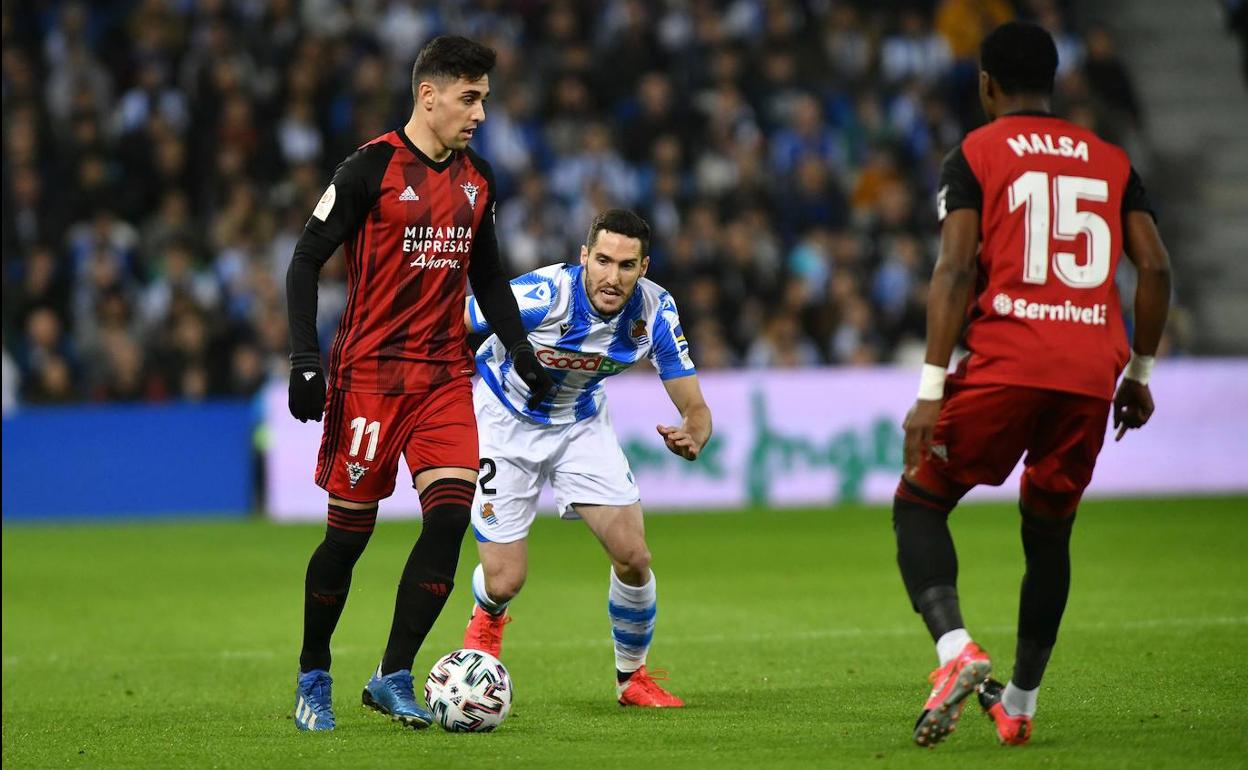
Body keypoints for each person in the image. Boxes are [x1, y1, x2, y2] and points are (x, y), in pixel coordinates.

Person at [894, 22, 1171, 747]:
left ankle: (956, 651)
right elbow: (1157, 267)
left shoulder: (977, 153)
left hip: (1009, 362)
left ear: (986, 84)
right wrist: (1138, 372)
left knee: (920, 502)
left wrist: (929, 389)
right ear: (1055, 81)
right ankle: (1017, 705)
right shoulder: (1111, 160)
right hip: (1089, 375)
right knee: (1048, 533)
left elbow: (954, 268)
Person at [285, 35, 554, 732]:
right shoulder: (368, 169)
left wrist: (519, 348)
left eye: (485, 99)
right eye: (470, 99)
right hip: (370, 379)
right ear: (428, 96)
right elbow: (303, 262)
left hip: (442, 377)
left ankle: (393, 673)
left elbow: (488, 276)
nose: (480, 114)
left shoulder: (479, 179)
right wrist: (302, 359)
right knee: (347, 538)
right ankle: (314, 671)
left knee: (449, 516)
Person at [459, 209, 712, 708]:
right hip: (503, 421)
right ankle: (484, 625)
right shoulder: (545, 295)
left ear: (643, 268)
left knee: (634, 557)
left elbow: (695, 404)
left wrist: (695, 431)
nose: (611, 276)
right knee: (505, 580)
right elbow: (456, 319)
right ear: (583, 257)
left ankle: (632, 678)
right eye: (602, 260)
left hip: (580, 423)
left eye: (625, 265)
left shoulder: (655, 310)